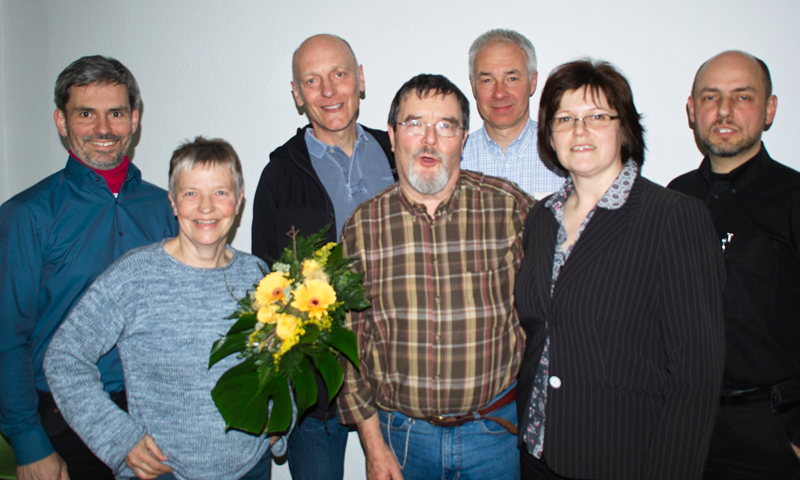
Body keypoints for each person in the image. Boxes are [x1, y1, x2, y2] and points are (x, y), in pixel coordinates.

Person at [516, 59, 725, 479]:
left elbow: (696, 374)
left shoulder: (673, 217)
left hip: (626, 455)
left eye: (596, 116)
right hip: (539, 450)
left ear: (623, 127)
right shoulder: (541, 219)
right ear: (549, 135)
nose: (579, 130)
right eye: (565, 119)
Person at [44, 137, 289, 480]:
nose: (206, 207)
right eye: (191, 193)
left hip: (250, 467)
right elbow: (64, 358)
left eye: (220, 192)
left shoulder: (259, 276)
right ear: (173, 203)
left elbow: (281, 358)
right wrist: (120, 439)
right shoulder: (135, 276)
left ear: (238, 201)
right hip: (163, 472)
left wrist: (281, 419)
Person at [338, 74, 533, 480]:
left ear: (463, 137)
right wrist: (373, 448)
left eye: (445, 125)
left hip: (496, 435)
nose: (429, 140)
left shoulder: (509, 209)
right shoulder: (362, 227)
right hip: (402, 440)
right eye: (414, 124)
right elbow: (348, 350)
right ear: (392, 135)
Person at [0, 55, 178, 480]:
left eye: (115, 113)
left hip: (155, 417)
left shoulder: (166, 208)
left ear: (134, 120)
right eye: (86, 114)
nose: (103, 129)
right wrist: (29, 444)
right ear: (62, 122)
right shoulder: (26, 215)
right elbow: (7, 339)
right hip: (63, 424)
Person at [251, 33, 397, 480]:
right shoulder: (279, 174)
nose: (329, 91)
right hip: (317, 390)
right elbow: (264, 285)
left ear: (361, 80)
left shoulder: (400, 154)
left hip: (400, 379)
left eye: (339, 74)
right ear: (297, 95)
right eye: (312, 81)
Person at [668, 50, 800, 479]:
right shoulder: (674, 198)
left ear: (769, 109)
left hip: (771, 431)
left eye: (742, 97)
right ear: (692, 110)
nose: (723, 111)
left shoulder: (793, 196)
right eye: (710, 97)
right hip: (684, 426)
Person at [462, 28, 565, 199]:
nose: (500, 93)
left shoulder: (563, 153)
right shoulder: (454, 161)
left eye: (512, 79)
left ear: (533, 82)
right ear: (473, 86)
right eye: (487, 80)